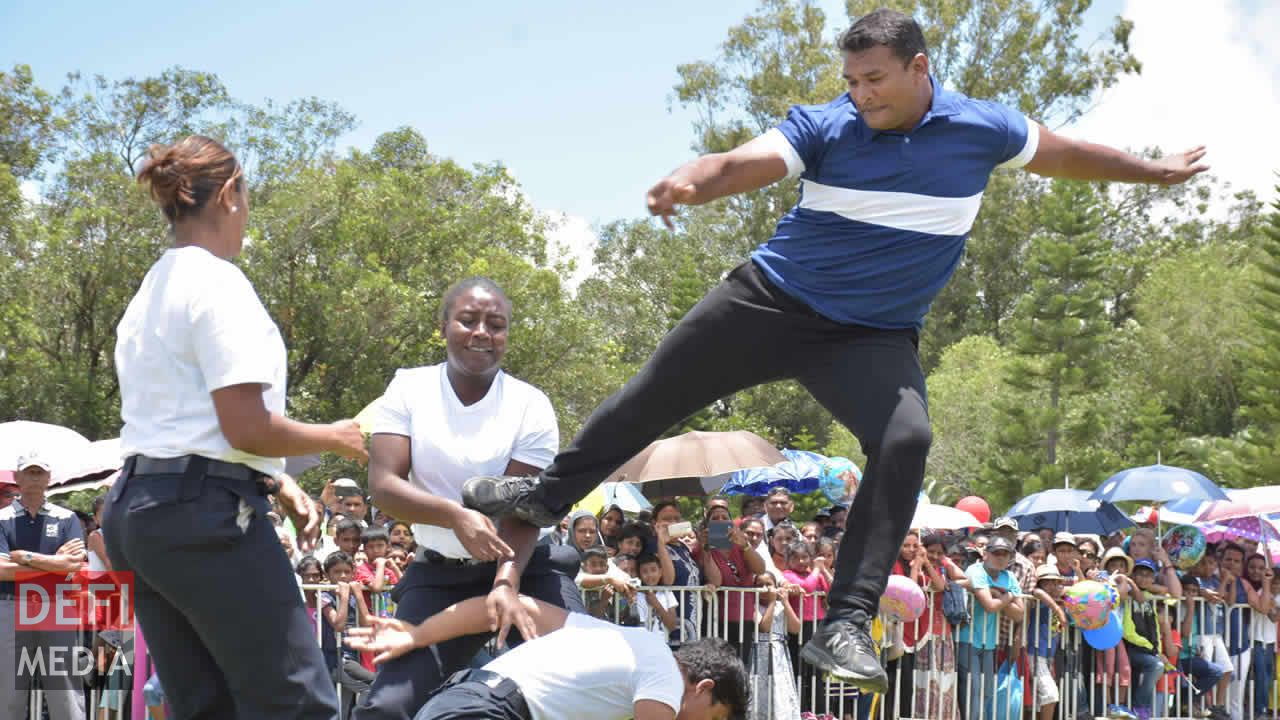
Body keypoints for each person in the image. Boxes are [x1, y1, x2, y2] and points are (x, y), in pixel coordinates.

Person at [460, 6, 1207, 691]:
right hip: (771, 300)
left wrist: (1154, 171)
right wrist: (691, 181)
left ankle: (845, 622)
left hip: (872, 336)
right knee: (657, 389)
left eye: (875, 79)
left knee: (907, 436)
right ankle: (547, 493)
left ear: (920, 68)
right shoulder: (829, 127)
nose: (862, 94)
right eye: (851, 80)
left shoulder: (983, 129)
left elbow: (1067, 154)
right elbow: (743, 161)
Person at [106, 135, 367, 719]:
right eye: (247, 195)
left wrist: (275, 481)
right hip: (200, 515)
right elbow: (244, 426)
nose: (247, 212)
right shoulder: (219, 283)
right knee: (297, 703)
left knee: (206, 706)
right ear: (228, 194)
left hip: (140, 511)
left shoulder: (150, 291)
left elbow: (186, 426)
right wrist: (335, 436)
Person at [355, 276, 583, 720]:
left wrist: (505, 582)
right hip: (439, 575)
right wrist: (453, 517)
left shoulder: (530, 404)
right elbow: (384, 485)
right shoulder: (407, 389)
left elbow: (526, 509)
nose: (482, 332)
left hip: (525, 567)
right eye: (468, 320)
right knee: (388, 707)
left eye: (496, 325)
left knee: (572, 687)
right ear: (443, 326)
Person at [346, 593, 749, 720]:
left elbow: (504, 606)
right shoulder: (664, 673)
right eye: (714, 719)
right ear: (703, 687)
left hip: (455, 703)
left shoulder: (609, 634)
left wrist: (419, 634)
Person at [0, 452, 88, 720]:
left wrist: (27, 558)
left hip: (56, 606)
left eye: (40, 472)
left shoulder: (67, 517)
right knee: (8, 690)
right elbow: (2, 571)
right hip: (11, 605)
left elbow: (73, 565)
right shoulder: (1, 518)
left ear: (49, 478)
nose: (35, 478)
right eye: (29, 472)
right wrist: (54, 564)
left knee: (64, 689)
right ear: (17, 478)